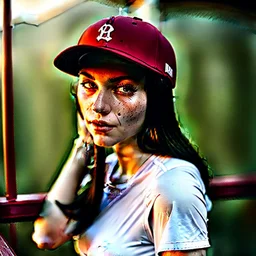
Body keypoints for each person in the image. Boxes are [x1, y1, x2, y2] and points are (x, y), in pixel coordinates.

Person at [32, 15, 213, 256]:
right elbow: (47, 235)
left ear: (155, 99)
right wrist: (84, 145)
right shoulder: (110, 168)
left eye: (124, 88)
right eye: (88, 84)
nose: (98, 106)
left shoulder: (172, 183)